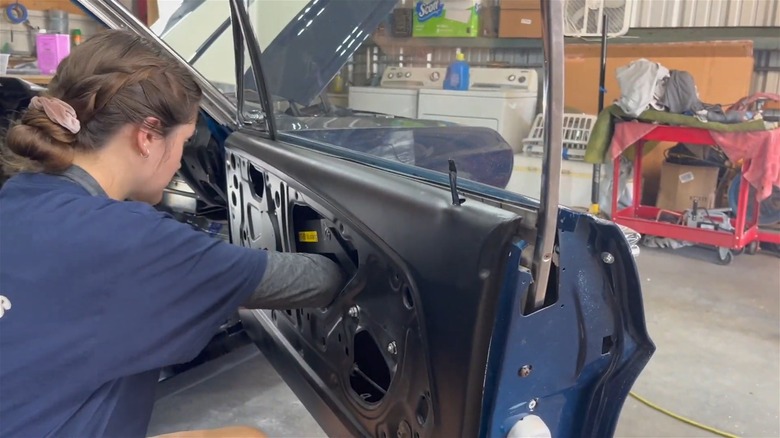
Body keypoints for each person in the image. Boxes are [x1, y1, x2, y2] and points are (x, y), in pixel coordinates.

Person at [0, 29, 345, 438]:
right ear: (146, 136)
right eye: (184, 140)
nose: (182, 159)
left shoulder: (18, 194)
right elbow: (320, 280)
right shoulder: (131, 240)